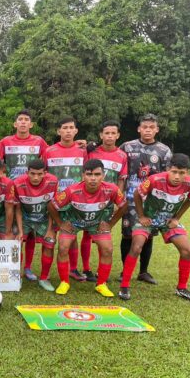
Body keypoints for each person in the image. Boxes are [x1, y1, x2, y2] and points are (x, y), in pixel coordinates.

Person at [119, 154, 190, 301]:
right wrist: (141, 216)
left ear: (187, 172)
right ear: (168, 169)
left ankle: (181, 288)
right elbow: (137, 194)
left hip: (168, 221)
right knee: (136, 247)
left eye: (182, 173)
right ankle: (124, 286)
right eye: (174, 171)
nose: (177, 176)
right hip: (149, 218)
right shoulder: (155, 179)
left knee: (188, 250)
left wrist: (176, 218)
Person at [48, 159, 127, 297]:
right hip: (74, 222)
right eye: (89, 174)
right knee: (63, 247)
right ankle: (64, 282)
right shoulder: (72, 190)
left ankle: (101, 284)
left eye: (97, 174)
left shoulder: (112, 189)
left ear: (103, 176)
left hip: (97, 223)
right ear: (83, 175)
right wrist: (61, 223)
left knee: (107, 249)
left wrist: (110, 223)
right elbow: (52, 205)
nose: (93, 178)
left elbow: (124, 205)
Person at [120, 113, 172, 285]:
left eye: (151, 127)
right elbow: (119, 168)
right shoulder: (127, 147)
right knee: (128, 235)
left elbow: (167, 176)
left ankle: (143, 271)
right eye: (144, 127)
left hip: (151, 202)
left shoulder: (164, 151)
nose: (148, 130)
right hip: (129, 199)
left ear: (156, 129)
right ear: (139, 129)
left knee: (148, 235)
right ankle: (124, 269)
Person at [0, 109, 48, 279]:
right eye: (20, 119)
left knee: (31, 232)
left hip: (34, 191)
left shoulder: (39, 141)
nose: (23, 122)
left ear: (31, 124)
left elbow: (45, 161)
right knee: (15, 232)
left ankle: (27, 268)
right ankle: (13, 268)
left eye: (27, 119)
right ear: (15, 123)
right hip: (13, 191)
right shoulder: (5, 141)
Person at [81, 120, 128, 281]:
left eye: (112, 133)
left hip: (108, 201)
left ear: (118, 135)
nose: (109, 136)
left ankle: (102, 271)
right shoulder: (92, 151)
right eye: (106, 133)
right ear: (101, 135)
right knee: (87, 234)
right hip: (90, 199)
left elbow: (121, 179)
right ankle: (86, 269)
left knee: (103, 233)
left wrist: (117, 200)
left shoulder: (122, 156)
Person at [44, 116, 88, 282]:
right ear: (58, 131)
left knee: (72, 233)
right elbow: (43, 174)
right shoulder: (49, 151)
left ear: (76, 131)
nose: (68, 131)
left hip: (76, 200)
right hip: (55, 201)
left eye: (71, 128)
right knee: (51, 235)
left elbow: (88, 173)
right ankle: (45, 273)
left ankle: (73, 269)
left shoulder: (83, 150)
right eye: (65, 128)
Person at [9, 159, 59, 291]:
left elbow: (52, 208)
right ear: (27, 173)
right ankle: (16, 277)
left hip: (44, 218)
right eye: (32, 174)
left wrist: (49, 230)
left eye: (39, 174)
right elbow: (18, 209)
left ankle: (44, 278)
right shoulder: (18, 183)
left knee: (50, 243)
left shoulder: (53, 181)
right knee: (16, 244)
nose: (36, 177)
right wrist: (20, 231)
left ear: (45, 173)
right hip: (25, 218)